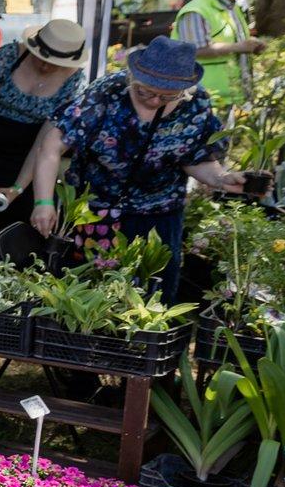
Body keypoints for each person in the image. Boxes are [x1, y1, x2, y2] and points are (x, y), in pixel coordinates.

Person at [28, 35, 248, 298]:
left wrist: (222, 179)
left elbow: (194, 159)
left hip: (159, 215)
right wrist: (43, 203)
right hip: (97, 212)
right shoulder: (106, 93)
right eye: (146, 91)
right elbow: (51, 147)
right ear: (134, 77)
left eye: (167, 96)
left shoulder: (196, 104)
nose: (155, 101)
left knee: (152, 297)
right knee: (90, 293)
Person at [0, 18, 89, 233]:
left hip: (29, 155)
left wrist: (18, 188)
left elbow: (44, 144)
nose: (44, 65)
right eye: (40, 56)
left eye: (53, 62)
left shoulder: (74, 84)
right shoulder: (6, 57)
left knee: (14, 221)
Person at [172, 0, 266, 103]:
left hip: (235, 96)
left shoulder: (232, 7)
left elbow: (236, 43)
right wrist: (239, 47)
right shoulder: (196, 11)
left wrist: (252, 47)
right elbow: (194, 50)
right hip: (206, 99)